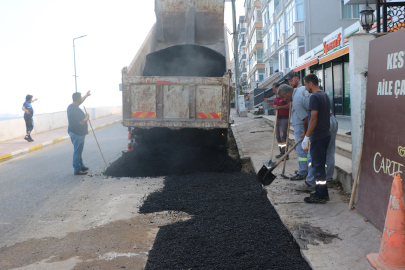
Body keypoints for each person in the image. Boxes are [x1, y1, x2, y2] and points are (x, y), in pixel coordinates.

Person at [301, 74, 331, 204]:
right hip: (325, 134)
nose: (305, 87)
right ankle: (323, 192)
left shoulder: (314, 97)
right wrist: (307, 134)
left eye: (306, 84)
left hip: (318, 137)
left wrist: (307, 137)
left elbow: (313, 118)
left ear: (310, 84)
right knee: (320, 165)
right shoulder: (324, 95)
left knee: (317, 166)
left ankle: (320, 196)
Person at [286, 71, 310, 180]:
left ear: (297, 78)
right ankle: (303, 169)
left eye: (291, 80)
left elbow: (305, 115)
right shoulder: (296, 91)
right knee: (301, 149)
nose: (290, 83)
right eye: (289, 81)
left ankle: (302, 171)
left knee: (301, 149)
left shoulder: (301, 91)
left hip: (301, 124)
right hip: (298, 124)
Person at [67, 91, 91, 175]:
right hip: (77, 133)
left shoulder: (71, 106)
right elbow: (82, 122)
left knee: (79, 150)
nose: (81, 99)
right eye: (80, 97)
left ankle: (81, 166)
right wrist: (87, 117)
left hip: (75, 132)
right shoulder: (75, 109)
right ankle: (77, 169)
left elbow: (81, 100)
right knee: (77, 151)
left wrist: (86, 95)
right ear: (78, 98)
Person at [272, 83, 290, 159]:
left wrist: (279, 107)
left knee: (283, 136)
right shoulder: (276, 97)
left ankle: (285, 153)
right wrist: (275, 107)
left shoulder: (284, 96)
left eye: (274, 89)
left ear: (277, 89)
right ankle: (281, 152)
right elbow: (275, 105)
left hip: (284, 118)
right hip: (278, 118)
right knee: (278, 136)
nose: (273, 91)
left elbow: (289, 105)